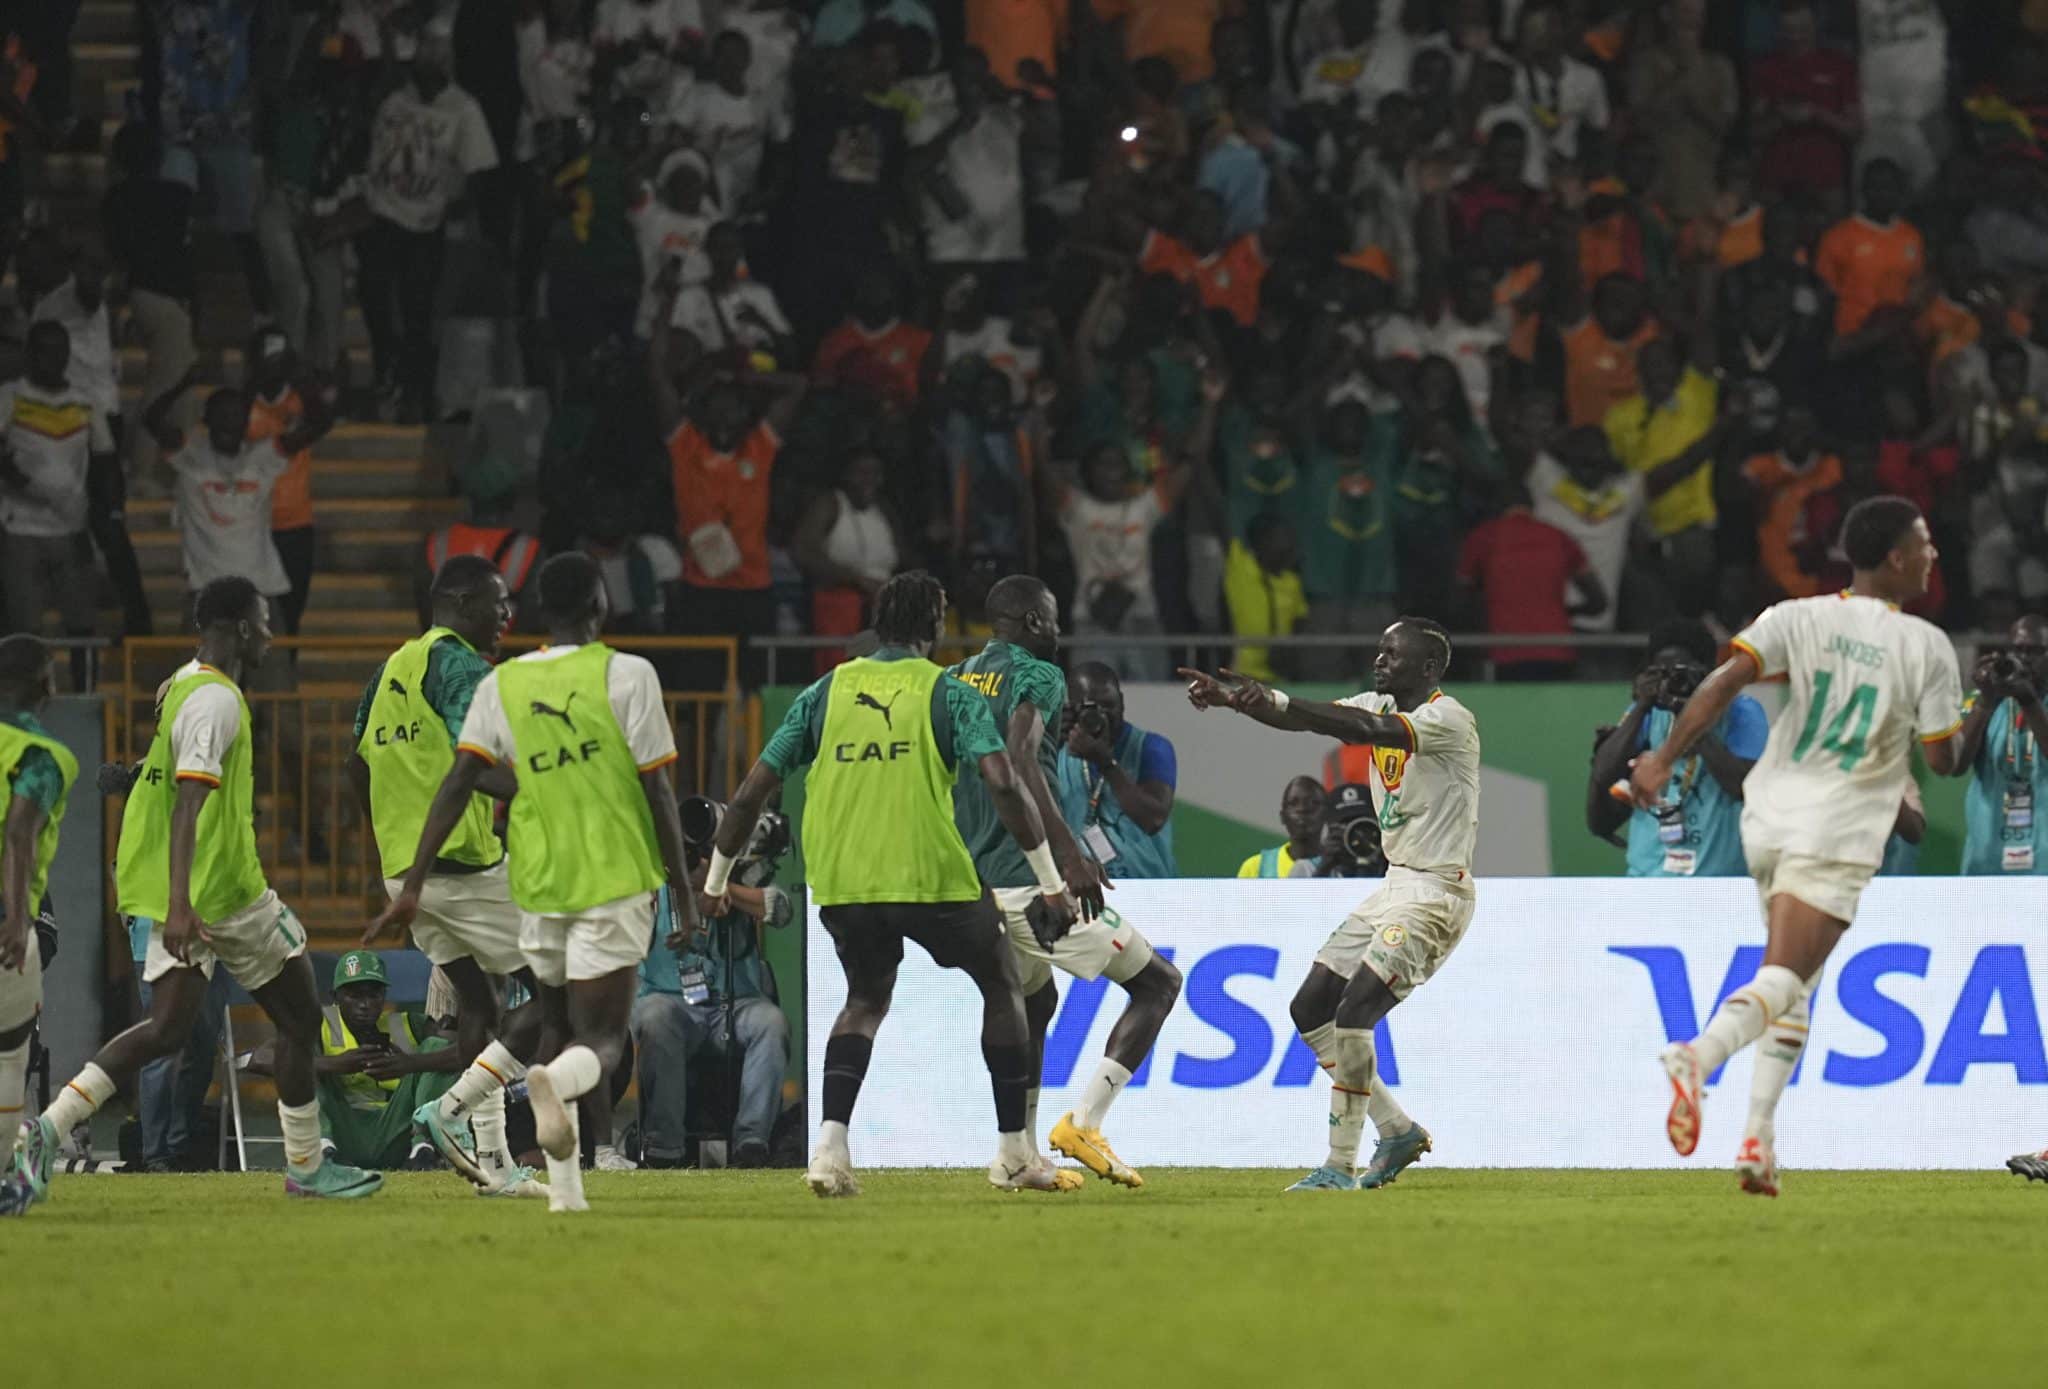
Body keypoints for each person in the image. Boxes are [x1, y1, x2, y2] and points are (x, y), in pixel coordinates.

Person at [7, 577, 385, 1212]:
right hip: (221, 893)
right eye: (263, 622)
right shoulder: (217, 702)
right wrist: (184, 904)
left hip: (168, 890)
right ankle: (307, 1166)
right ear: (239, 628)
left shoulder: (184, 684)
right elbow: (188, 804)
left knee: (165, 1030)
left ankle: (44, 1131)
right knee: (298, 1015)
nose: (269, 634)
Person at [700, 570, 1078, 1197]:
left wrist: (715, 880)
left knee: (865, 1001)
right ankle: (1014, 1152)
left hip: (845, 880)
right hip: (930, 874)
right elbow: (1004, 779)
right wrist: (1049, 880)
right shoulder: (946, 690)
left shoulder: (824, 691)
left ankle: (828, 1148)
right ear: (934, 626)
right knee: (1003, 982)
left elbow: (750, 792)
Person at [1632, 496, 1962, 1198]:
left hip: (1770, 814)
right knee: (1785, 974)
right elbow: (1945, 759)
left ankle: (1758, 1138)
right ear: (1898, 557)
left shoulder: (1797, 615)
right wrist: (1957, 732)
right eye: (1925, 542)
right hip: (1840, 822)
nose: (1934, 554)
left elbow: (1724, 680)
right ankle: (1698, 1054)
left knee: (1793, 977)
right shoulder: (1927, 645)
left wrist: (1662, 758)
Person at [370, 553, 697, 1214]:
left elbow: (457, 781)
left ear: (541, 612)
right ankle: (532, 1091)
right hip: (611, 877)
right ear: (602, 607)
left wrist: (412, 883)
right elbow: (659, 791)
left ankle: (564, 1190)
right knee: (596, 1039)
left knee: (548, 1020)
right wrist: (684, 890)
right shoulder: (629, 674)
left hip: (537, 881)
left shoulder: (502, 684)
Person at [1178, 617, 1478, 1192]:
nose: (1381, 660)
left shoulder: (1448, 718)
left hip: (1436, 893)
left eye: (1393, 653)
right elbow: (1303, 717)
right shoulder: (1378, 700)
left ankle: (1339, 1166)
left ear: (1429, 668)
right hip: (1396, 886)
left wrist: (1276, 695)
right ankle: (1396, 1131)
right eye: (1379, 650)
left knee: (1355, 1012)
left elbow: (1362, 726)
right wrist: (1243, 702)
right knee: (1310, 1005)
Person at [948, 576, 1181, 1189]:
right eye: (1050, 620)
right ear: (1028, 623)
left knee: (1034, 1001)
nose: (1057, 631)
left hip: (975, 877)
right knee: (1158, 984)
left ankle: (1016, 1156)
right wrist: (1067, 856)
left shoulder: (959, 677)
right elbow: (1022, 760)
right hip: (1029, 880)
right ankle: (1083, 1123)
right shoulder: (1040, 676)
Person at [352, 556, 545, 1197]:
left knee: (480, 1005)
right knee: (555, 992)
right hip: (460, 868)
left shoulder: (386, 672)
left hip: (405, 871)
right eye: (499, 603)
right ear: (462, 602)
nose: (507, 616)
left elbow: (360, 765)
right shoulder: (458, 664)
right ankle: (451, 1110)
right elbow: (476, 758)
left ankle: (494, 1165)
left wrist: (391, 853)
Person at [634, 874, 792, 1169]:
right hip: (670, 1001)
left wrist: (720, 886)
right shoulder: (651, 876)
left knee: (771, 1022)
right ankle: (664, 1147)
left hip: (735, 1003)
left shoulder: (739, 869)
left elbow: (782, 910)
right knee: (656, 1017)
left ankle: (752, 1142)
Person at [1588, 621, 1768, 878]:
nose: (1674, 681)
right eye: (1663, 672)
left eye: (1683, 672)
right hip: (1649, 878)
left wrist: (1692, 718)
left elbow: (1743, 785)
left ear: (1710, 672)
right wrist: (1641, 706)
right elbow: (1603, 772)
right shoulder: (1648, 713)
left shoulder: (1741, 711)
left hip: (1718, 882)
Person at [146, 377, 333, 609]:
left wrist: (302, 387)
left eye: (235, 417)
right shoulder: (190, 455)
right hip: (205, 593)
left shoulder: (264, 456)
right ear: (206, 419)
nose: (227, 423)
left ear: (246, 423)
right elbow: (151, 419)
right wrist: (184, 384)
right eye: (221, 416)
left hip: (261, 592)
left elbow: (319, 427)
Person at [0, 636, 74, 1188]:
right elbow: (19, 833)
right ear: (39, 683)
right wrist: (17, 914)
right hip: (6, 914)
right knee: (9, 1052)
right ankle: (5, 1176)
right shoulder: (38, 754)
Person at [0, 320, 111, 663]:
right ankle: (22, 705)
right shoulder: (10, 396)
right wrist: (21, 481)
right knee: (24, 628)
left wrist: (97, 518)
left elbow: (105, 461)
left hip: (71, 528)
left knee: (82, 624)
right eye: (46, 351)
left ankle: (85, 698)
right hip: (19, 528)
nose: (55, 359)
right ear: (31, 355)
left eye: (60, 351)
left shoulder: (85, 402)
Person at [302, 950, 461, 1172]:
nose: (365, 1004)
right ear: (335, 997)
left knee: (437, 1048)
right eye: (354, 995)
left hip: (396, 1132)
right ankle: (323, 1149)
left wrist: (411, 1064)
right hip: (342, 1132)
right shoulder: (318, 1024)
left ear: (384, 996)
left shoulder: (405, 1025)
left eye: (373, 995)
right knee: (300, 1060)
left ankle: (425, 1148)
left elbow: (463, 1053)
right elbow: (264, 1058)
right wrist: (334, 1064)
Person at [1055, 663, 1177, 879]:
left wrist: (1106, 763)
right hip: (1082, 888)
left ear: (1122, 701)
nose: (1103, 715)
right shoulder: (1058, 750)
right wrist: (1048, 739)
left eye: (1109, 705)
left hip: (1149, 889)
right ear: (1072, 707)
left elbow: (1153, 819)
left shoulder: (1151, 747)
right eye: (1091, 707)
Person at [1952, 615, 2048, 876]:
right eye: (2018, 650)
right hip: (1988, 855)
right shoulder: (1985, 701)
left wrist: (2028, 700)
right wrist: (1986, 698)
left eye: (2035, 651)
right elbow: (1956, 764)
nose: (2025, 658)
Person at [1237, 776, 1327, 878]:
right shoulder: (1254, 868)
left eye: (1312, 803)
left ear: (1328, 814)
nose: (1302, 809)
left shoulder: (1340, 869)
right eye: (1293, 803)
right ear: (1282, 816)